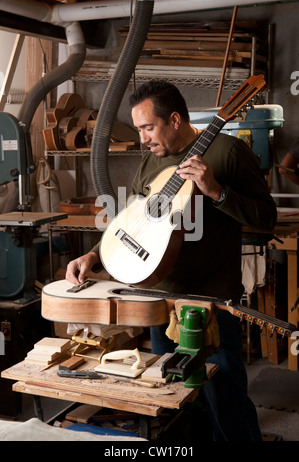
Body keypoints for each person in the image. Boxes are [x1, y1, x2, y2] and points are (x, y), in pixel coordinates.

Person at [66, 80, 277, 441]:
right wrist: (94, 255)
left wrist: (217, 191)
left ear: (175, 120)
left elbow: (266, 218)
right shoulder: (153, 158)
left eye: (148, 127)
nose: (143, 138)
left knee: (222, 398)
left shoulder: (228, 152)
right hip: (158, 298)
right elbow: (131, 216)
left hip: (208, 301)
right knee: (174, 399)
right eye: (138, 129)